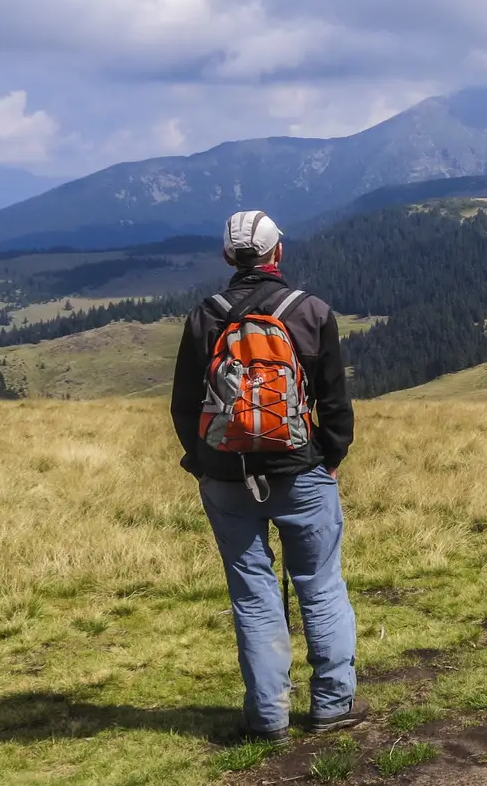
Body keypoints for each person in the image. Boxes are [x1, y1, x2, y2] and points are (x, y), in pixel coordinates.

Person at [170, 210, 363, 743]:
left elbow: (184, 406)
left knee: (252, 597)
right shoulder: (310, 312)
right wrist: (331, 455)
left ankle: (268, 717)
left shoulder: (203, 318)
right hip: (302, 471)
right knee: (321, 587)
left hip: (228, 480)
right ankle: (332, 704)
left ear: (229, 257)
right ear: (278, 253)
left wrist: (203, 463)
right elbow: (334, 401)